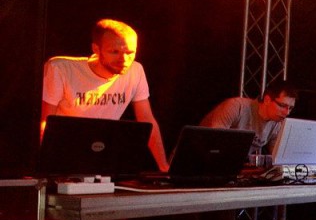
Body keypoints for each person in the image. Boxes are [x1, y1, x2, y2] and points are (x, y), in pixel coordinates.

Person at [41, 18, 169, 171]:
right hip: (64, 158)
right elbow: (45, 123)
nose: (124, 60)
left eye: (130, 53)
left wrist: (163, 167)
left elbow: (147, 120)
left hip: (104, 159)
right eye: (114, 52)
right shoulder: (60, 69)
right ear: (96, 49)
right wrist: (45, 166)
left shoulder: (136, 71)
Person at [200, 79, 299, 159]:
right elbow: (214, 143)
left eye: (290, 108)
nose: (287, 112)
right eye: (282, 106)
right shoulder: (236, 107)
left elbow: (277, 157)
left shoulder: (276, 124)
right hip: (203, 158)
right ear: (267, 100)